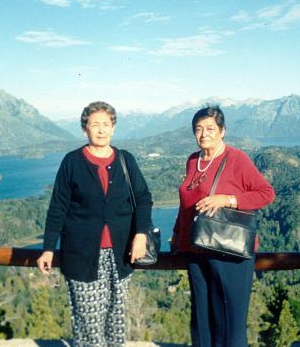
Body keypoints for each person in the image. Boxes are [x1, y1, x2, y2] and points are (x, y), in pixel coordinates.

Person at [37, 101, 152, 347]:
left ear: (113, 128)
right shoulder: (72, 161)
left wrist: (140, 234)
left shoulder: (125, 160)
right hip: (82, 255)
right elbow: (58, 206)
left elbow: (143, 198)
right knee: (88, 321)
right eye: (94, 125)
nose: (101, 130)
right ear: (84, 130)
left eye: (106, 124)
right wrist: (48, 248)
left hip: (121, 254)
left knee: (116, 318)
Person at [171, 105, 275, 347]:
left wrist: (228, 199)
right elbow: (185, 204)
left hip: (228, 251)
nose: (204, 134)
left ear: (222, 130)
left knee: (229, 323)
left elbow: (266, 193)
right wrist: (177, 234)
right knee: (202, 321)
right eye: (198, 129)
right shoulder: (193, 160)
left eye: (210, 128)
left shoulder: (236, 159)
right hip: (196, 249)